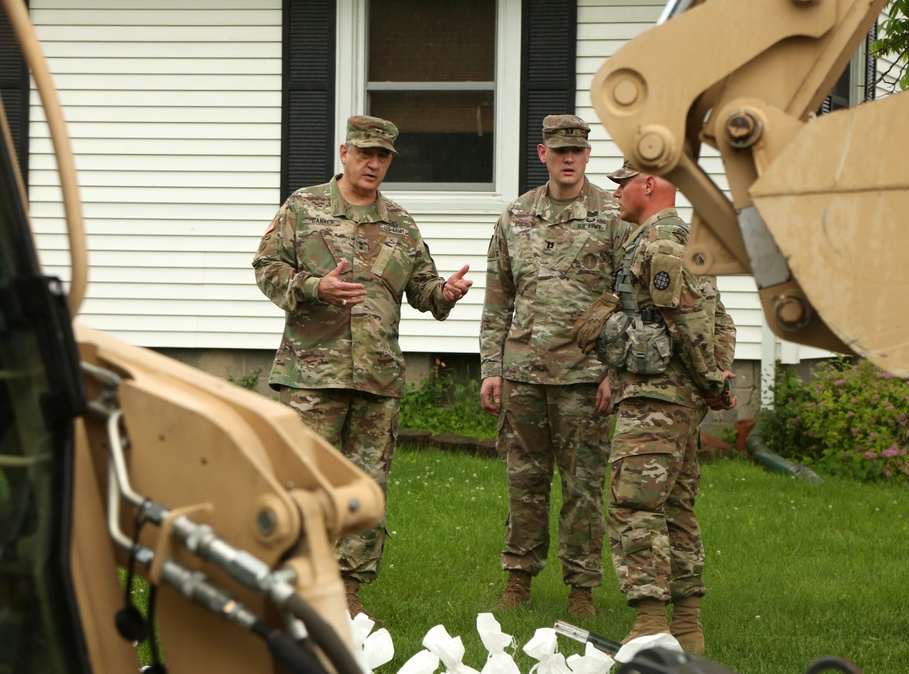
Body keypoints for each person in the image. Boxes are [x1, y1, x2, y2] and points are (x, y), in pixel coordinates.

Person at [253, 115, 472, 623]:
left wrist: (446, 294)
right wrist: (313, 287)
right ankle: (292, 586)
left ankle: (348, 592)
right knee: (301, 483)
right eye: (366, 153)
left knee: (365, 488)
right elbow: (266, 269)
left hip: (377, 377)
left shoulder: (400, 223)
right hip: (311, 378)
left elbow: (424, 290)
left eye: (384, 157)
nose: (374, 164)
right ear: (344, 153)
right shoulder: (302, 209)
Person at [479, 114, 633, 618]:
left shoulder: (614, 216)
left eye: (578, 151)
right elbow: (498, 299)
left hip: (585, 378)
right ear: (543, 155)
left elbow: (631, 302)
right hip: (523, 373)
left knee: (584, 489)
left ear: (588, 156)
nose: (569, 159)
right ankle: (518, 582)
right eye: (559, 151)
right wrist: (491, 367)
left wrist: (615, 371)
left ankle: (582, 590)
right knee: (524, 483)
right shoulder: (516, 217)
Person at [596, 159, 737, 649]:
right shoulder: (684, 239)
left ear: (649, 185)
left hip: (657, 400)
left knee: (635, 504)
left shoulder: (662, 243)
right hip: (674, 399)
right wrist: (712, 382)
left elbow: (693, 324)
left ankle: (652, 624)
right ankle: (687, 628)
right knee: (675, 505)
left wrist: (711, 382)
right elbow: (723, 321)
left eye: (623, 184)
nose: (615, 193)